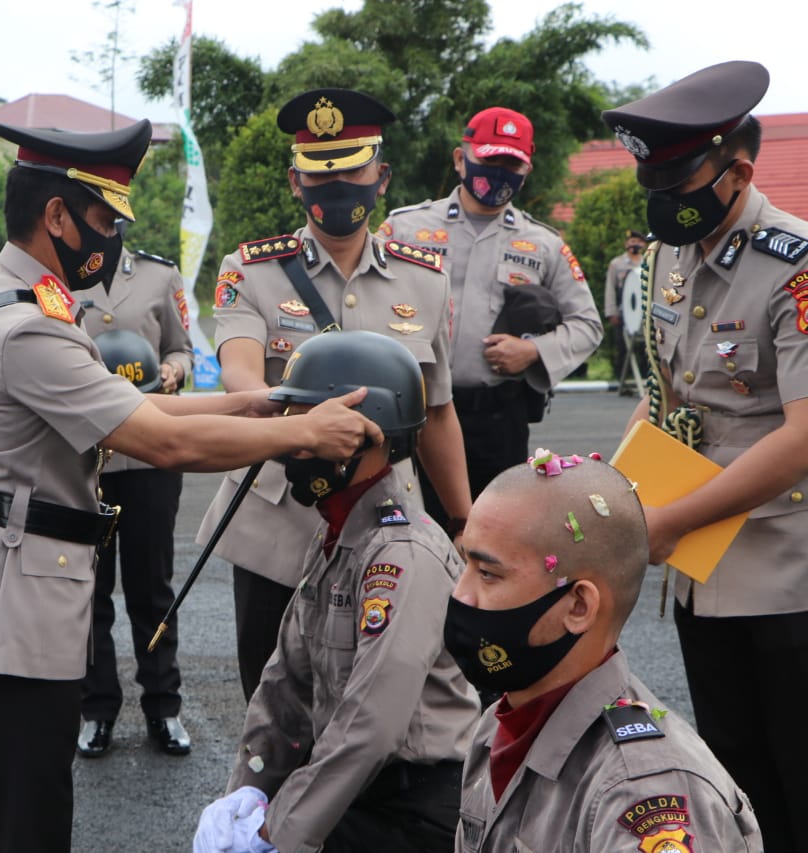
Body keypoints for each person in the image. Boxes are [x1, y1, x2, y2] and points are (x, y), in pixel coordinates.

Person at [0, 118, 382, 853]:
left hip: (4, 593)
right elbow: (157, 439)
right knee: (23, 823)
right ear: (56, 216)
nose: (110, 239)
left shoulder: (24, 298)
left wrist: (251, 402)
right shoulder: (28, 327)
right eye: (104, 219)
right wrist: (303, 433)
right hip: (14, 604)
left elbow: (136, 403)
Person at [198, 87, 472, 703]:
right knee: (273, 705)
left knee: (379, 701)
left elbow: (438, 410)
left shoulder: (424, 278)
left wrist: (462, 521)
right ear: (296, 184)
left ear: (382, 176)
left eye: (352, 170)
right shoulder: (250, 270)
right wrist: (294, 412)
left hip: (388, 519)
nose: (337, 187)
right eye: (320, 175)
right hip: (279, 522)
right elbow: (240, 376)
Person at [602, 60, 808, 853]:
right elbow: (665, 404)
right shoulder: (670, 261)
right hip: (703, 573)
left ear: (739, 172)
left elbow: (799, 437)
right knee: (736, 777)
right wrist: (606, 495)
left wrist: (666, 520)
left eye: (682, 187)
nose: (665, 204)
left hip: (787, 576)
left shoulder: (793, 265)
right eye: (654, 184)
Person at [194, 331, 480, 853]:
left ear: (362, 436)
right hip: (349, 790)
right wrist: (247, 793)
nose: (290, 443)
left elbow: (370, 725)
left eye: (308, 424)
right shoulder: (335, 533)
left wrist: (275, 831)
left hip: (411, 810)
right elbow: (286, 686)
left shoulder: (401, 554)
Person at [445, 455, 762, 851]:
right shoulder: (499, 724)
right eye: (464, 564)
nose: (460, 594)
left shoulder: (639, 791)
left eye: (488, 574)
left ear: (578, 606)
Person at [381, 107, 602, 526]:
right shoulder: (405, 229)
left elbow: (587, 325)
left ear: (527, 168)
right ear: (461, 159)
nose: (500, 173)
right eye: (490, 160)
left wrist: (533, 350)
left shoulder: (543, 244)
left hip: (497, 420)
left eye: (511, 164)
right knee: (410, 532)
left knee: (492, 536)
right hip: (415, 412)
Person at [75, 242, 195, 758]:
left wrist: (174, 372)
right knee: (88, 591)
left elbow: (181, 347)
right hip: (85, 458)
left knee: (152, 588)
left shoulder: (156, 273)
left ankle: (163, 708)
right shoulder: (56, 275)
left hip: (150, 454)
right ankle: (96, 710)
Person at [604, 229, 649, 380]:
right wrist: (612, 312)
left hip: (644, 312)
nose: (633, 245)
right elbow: (610, 288)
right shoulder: (617, 264)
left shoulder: (647, 263)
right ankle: (621, 379)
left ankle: (644, 378)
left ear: (643, 244)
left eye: (637, 242)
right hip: (624, 311)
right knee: (623, 347)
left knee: (645, 347)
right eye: (631, 242)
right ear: (626, 244)